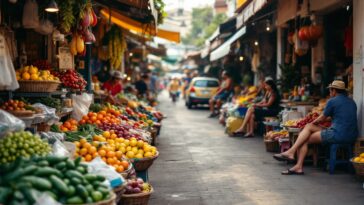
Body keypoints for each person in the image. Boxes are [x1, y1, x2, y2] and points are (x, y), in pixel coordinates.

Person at [273, 80, 358, 175]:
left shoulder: (332, 101)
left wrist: (312, 122)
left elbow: (322, 118)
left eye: (330, 90)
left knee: (304, 138)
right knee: (307, 130)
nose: (330, 93)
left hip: (337, 134)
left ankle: (296, 162)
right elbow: (339, 117)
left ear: (334, 91)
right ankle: (293, 156)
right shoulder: (352, 102)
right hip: (351, 135)